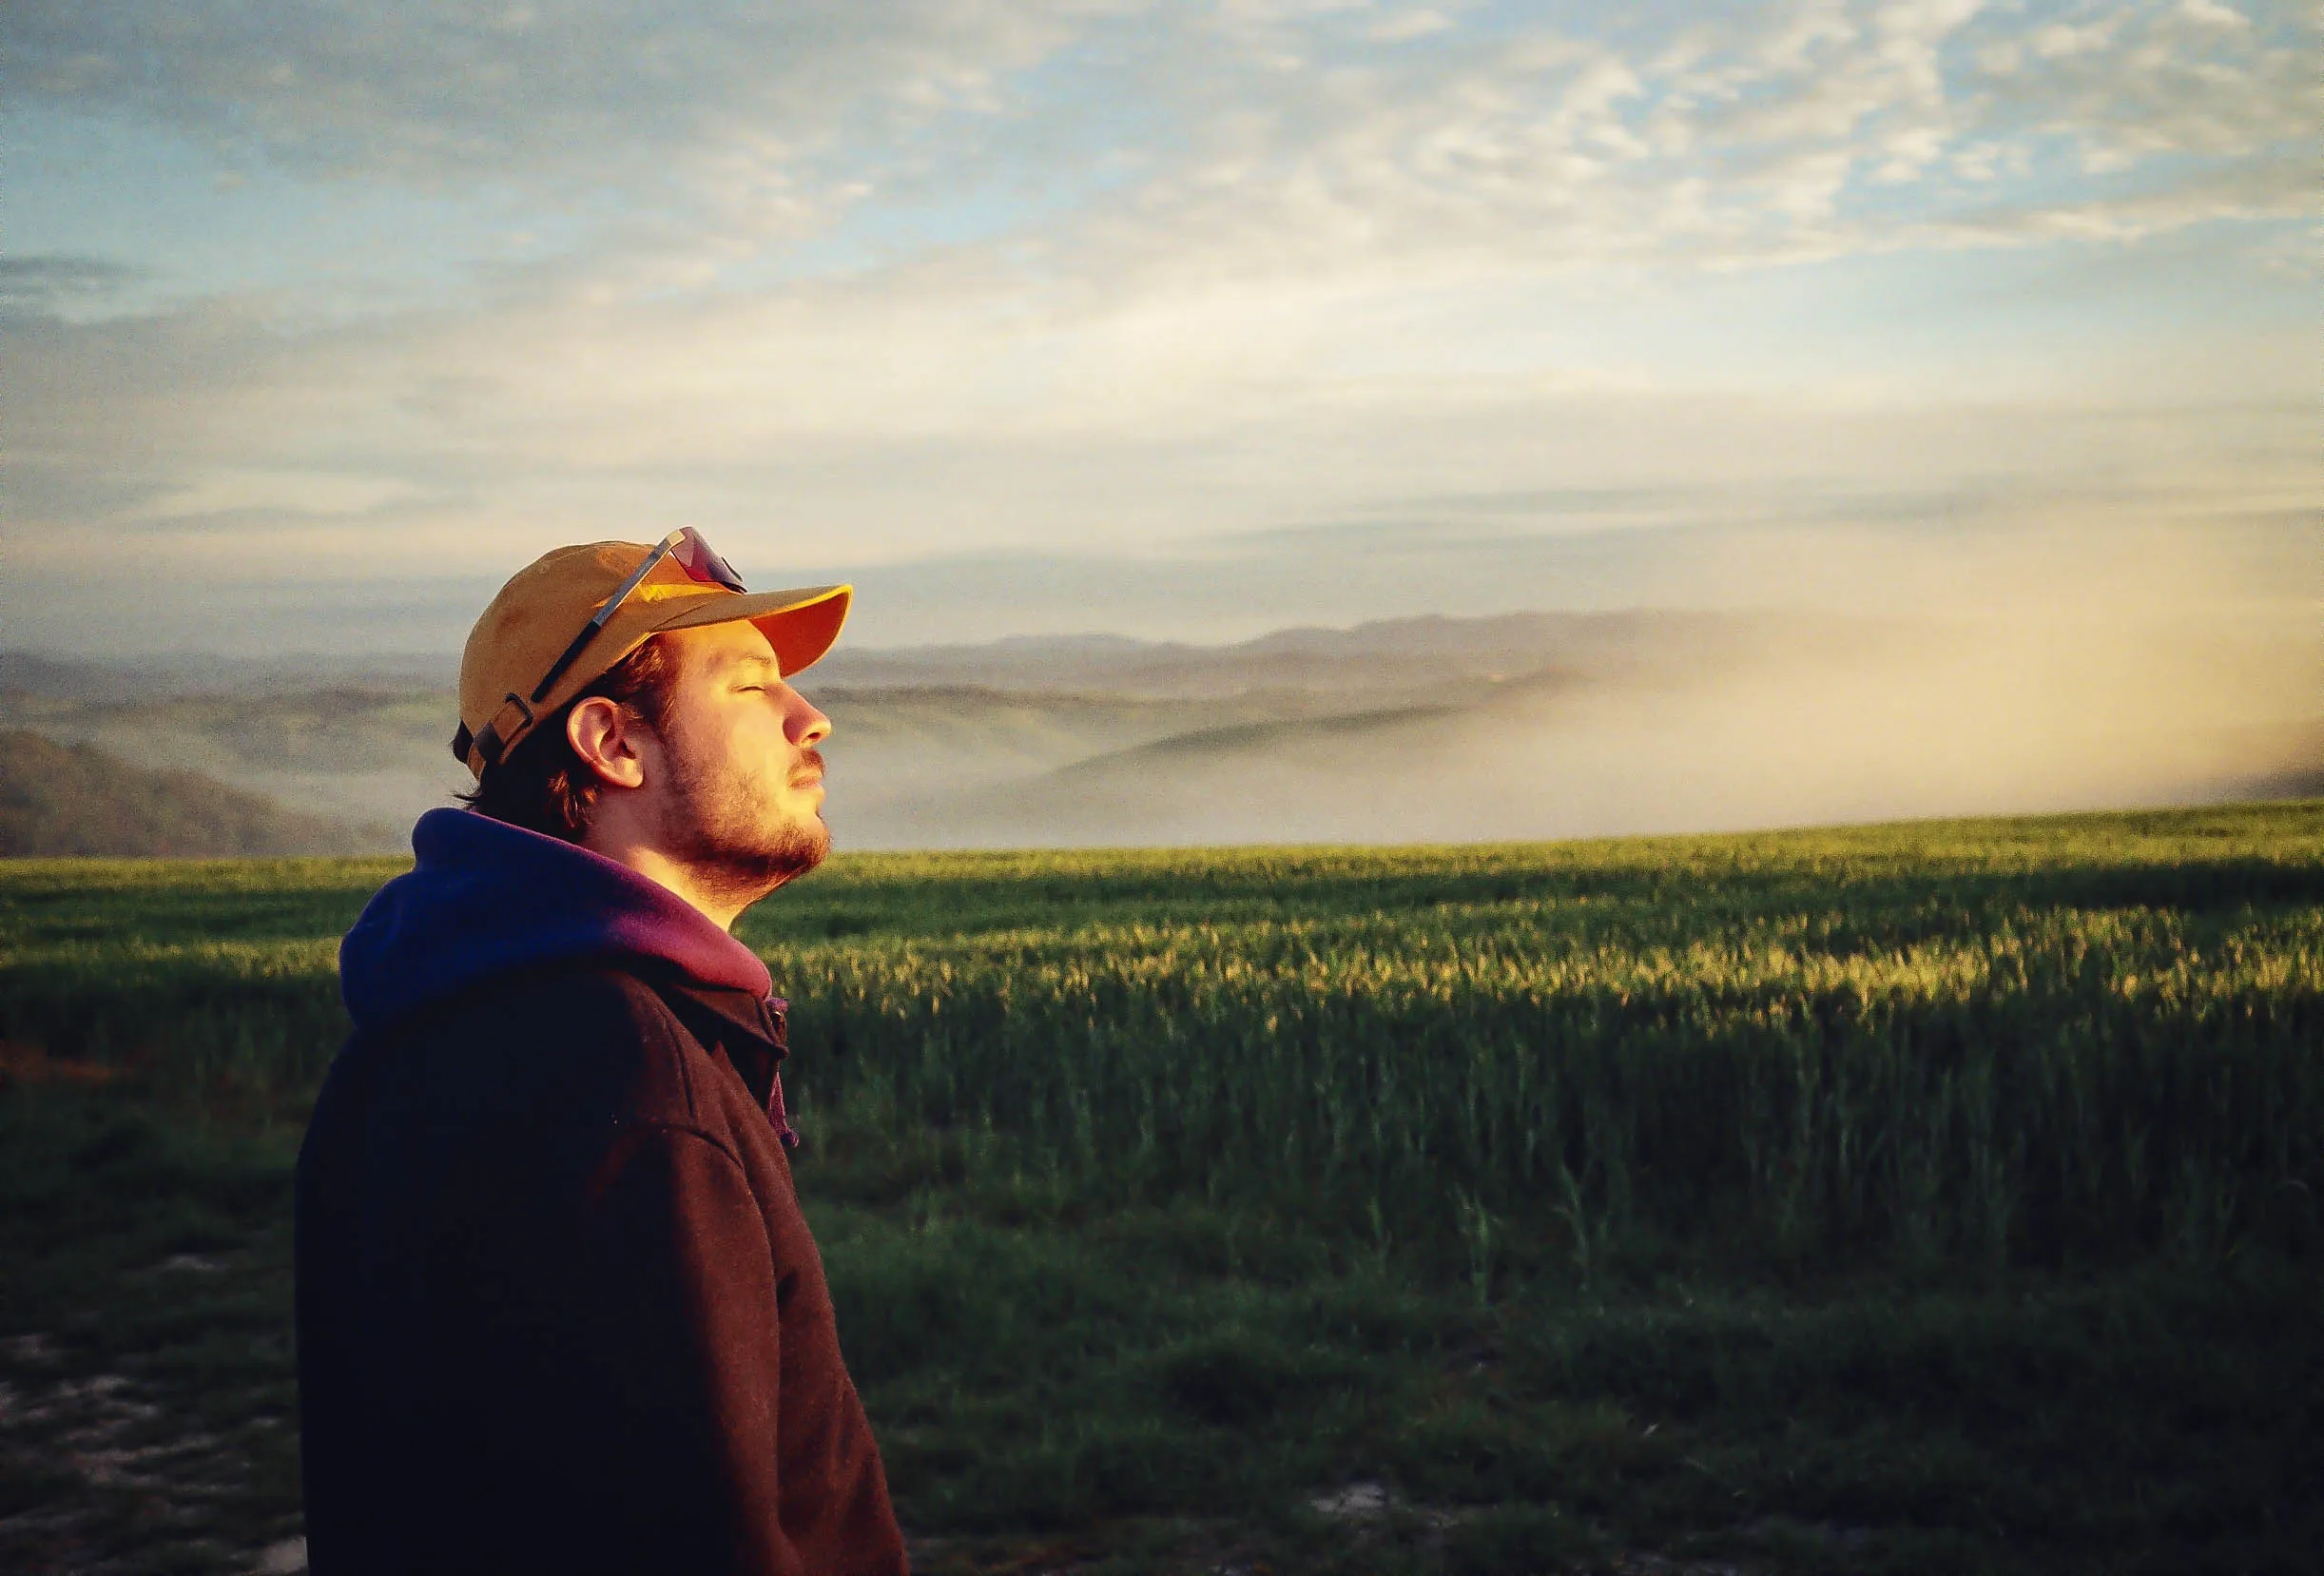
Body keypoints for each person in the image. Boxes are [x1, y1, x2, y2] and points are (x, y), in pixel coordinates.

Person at [294, 533, 907, 1575]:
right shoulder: (620, 1084)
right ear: (612, 743)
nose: (810, 716)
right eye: (752, 685)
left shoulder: (423, 1020)